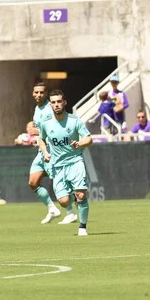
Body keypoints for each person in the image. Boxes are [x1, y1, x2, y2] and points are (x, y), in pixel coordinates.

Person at [37, 90, 92, 236]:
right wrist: (45, 153)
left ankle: (82, 227)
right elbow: (40, 139)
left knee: (81, 195)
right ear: (50, 105)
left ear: (64, 102)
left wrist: (79, 144)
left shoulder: (74, 120)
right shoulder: (46, 124)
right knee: (63, 201)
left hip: (75, 162)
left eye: (59, 101)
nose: (56, 105)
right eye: (53, 102)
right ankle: (75, 197)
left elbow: (88, 139)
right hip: (57, 166)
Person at [28, 83, 76, 225]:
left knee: (57, 183)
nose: (38, 95)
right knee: (33, 182)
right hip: (41, 151)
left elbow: (58, 127)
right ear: (32, 93)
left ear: (46, 93)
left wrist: (37, 132)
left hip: (52, 151)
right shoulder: (37, 109)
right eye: (36, 92)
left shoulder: (51, 108)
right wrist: (37, 139)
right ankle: (52, 209)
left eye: (42, 92)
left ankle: (70, 212)